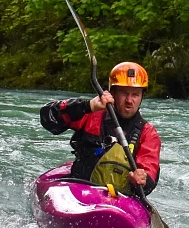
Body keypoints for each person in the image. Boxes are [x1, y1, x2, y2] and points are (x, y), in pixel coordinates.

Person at [40, 62, 161, 196]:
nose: (129, 100)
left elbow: (150, 175)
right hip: (80, 189)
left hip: (120, 199)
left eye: (135, 94)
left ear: (141, 97)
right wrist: (87, 106)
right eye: (123, 93)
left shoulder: (148, 133)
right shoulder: (92, 114)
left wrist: (142, 180)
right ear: (112, 93)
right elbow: (49, 117)